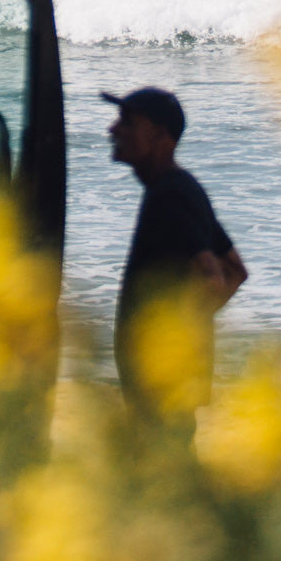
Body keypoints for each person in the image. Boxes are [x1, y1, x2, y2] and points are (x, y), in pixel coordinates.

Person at [105, 86, 247, 440]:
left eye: (127, 121)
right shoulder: (183, 188)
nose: (114, 129)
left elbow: (214, 279)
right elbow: (235, 270)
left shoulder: (169, 196)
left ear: (159, 135)